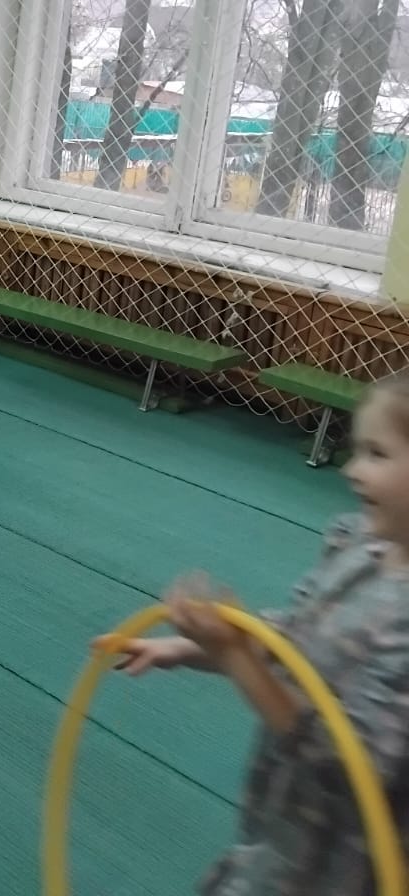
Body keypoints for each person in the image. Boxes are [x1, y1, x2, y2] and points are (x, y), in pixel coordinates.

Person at [103, 372, 409, 895]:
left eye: (377, 454)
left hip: (345, 866)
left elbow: (352, 764)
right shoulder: (363, 545)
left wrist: (237, 658)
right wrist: (186, 648)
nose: (352, 469)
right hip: (284, 829)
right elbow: (292, 638)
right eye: (358, 450)